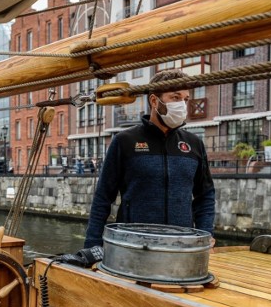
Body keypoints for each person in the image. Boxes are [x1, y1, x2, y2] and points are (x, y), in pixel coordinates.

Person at [84, 69, 215, 248]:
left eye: (185, 99)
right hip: (132, 245)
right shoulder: (125, 141)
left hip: (181, 247)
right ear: (154, 100)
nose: (182, 105)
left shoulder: (194, 144)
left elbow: (205, 195)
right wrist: (92, 245)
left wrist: (205, 234)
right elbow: (103, 197)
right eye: (175, 98)